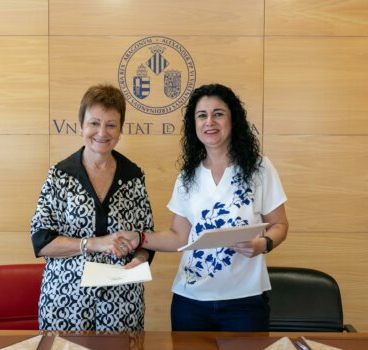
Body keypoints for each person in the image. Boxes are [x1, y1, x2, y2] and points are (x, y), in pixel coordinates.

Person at [120, 83, 288, 332]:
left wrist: (263, 244)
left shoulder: (259, 169)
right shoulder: (187, 176)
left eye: (218, 114)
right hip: (190, 302)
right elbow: (179, 237)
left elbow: (279, 225)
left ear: (233, 120)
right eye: (202, 115)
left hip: (244, 301)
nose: (210, 122)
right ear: (194, 124)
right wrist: (140, 238)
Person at [30, 84, 153, 332]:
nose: (102, 132)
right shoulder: (60, 175)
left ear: (120, 130)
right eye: (94, 123)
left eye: (111, 125)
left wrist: (139, 260)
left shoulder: (133, 176)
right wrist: (93, 243)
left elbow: (146, 238)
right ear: (81, 125)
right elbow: (41, 241)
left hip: (122, 304)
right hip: (66, 302)